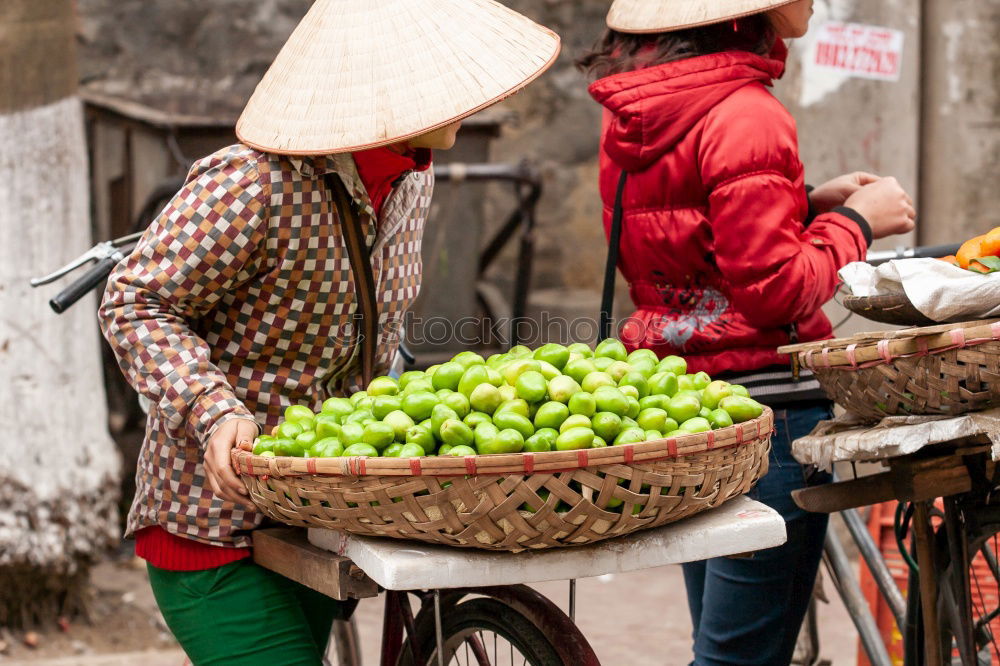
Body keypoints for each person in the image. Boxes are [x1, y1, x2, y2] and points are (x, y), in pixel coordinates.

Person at [98, 1, 560, 663]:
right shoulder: (254, 184)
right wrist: (211, 406)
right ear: (391, 93)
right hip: (213, 527)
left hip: (317, 516)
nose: (469, 98)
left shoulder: (410, 180)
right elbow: (135, 301)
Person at [580, 1, 915, 664]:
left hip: (681, 405)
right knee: (738, 657)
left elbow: (693, 240)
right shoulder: (747, 111)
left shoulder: (641, 112)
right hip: (767, 414)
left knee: (720, 639)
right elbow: (775, 292)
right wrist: (857, 222)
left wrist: (804, 203)